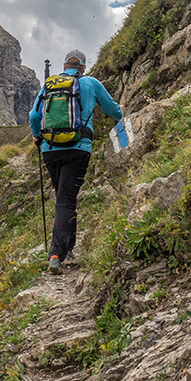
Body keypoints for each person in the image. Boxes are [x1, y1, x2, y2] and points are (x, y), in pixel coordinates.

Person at [29, 49, 124, 275]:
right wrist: (121, 114)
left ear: (64, 67)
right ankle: (56, 254)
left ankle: (68, 248)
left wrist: (36, 135)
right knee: (66, 200)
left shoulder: (50, 84)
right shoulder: (91, 83)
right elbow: (112, 109)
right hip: (78, 148)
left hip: (49, 149)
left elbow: (34, 116)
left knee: (63, 198)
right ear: (83, 67)